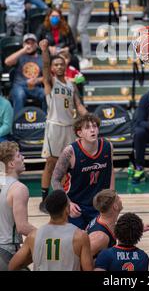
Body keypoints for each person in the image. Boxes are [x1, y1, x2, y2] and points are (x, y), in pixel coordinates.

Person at [39, 39, 87, 213]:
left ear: (65, 65)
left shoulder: (71, 84)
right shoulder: (50, 82)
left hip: (69, 127)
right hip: (54, 126)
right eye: (56, 64)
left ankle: (68, 197)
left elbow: (78, 105)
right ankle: (44, 200)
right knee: (51, 163)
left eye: (61, 64)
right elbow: (44, 67)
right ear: (53, 68)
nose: (59, 66)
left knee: (70, 165)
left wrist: (89, 118)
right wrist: (44, 50)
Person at [52, 113, 115, 230]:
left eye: (95, 126)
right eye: (87, 127)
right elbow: (55, 180)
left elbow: (111, 170)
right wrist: (68, 203)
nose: (92, 130)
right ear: (79, 133)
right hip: (76, 205)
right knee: (76, 242)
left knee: (103, 240)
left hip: (99, 204)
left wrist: (112, 196)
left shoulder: (107, 146)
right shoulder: (70, 152)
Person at [8, 190, 93, 271]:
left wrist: (35, 257)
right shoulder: (80, 236)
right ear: (67, 209)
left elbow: (12, 266)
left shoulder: (33, 236)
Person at [87, 189, 149, 258]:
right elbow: (82, 258)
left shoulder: (102, 219)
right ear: (115, 206)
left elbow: (113, 231)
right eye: (118, 198)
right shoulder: (100, 237)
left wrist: (136, 229)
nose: (120, 199)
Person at [0, 141, 35, 271]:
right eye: (19, 156)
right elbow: (22, 227)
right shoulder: (19, 188)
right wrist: (48, 235)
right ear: (11, 164)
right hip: (6, 250)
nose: (23, 158)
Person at [5, 33, 46, 115]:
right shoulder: (19, 56)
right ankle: (17, 122)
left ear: (36, 44)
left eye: (32, 43)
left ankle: (47, 120)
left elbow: (47, 77)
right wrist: (23, 50)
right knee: (20, 95)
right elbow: (7, 62)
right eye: (27, 43)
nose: (30, 45)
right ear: (23, 44)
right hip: (19, 86)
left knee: (47, 94)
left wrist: (37, 80)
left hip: (35, 87)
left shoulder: (41, 58)